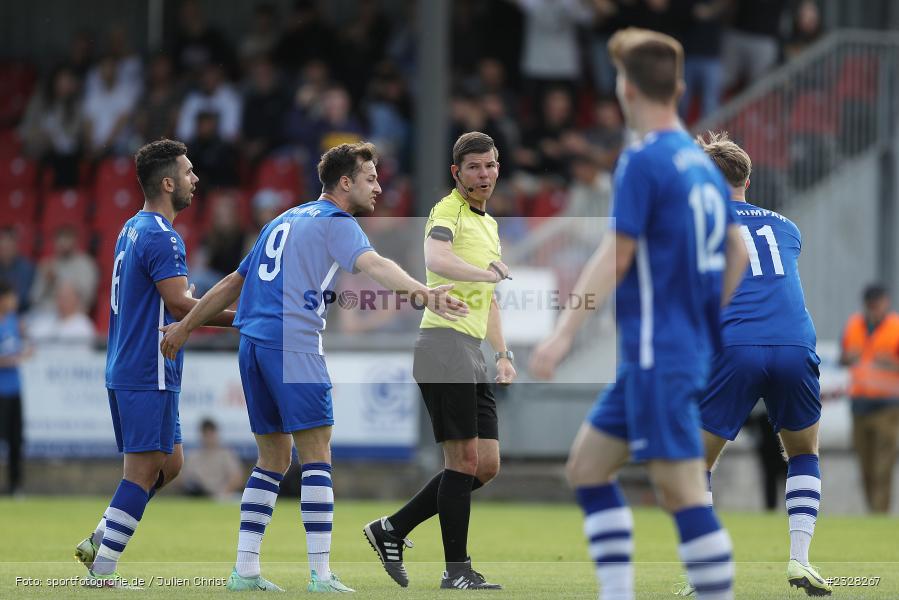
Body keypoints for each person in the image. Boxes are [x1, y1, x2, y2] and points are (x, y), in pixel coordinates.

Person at [158, 141, 467, 593]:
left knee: (272, 459)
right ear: (345, 183)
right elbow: (375, 265)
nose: (378, 187)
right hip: (294, 344)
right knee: (317, 455)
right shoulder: (338, 222)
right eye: (370, 178)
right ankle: (322, 574)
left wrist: (186, 326)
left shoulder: (283, 218)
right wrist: (426, 294)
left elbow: (232, 283)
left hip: (252, 345)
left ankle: (245, 570)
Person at [529, 28, 748, 600]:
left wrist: (562, 333)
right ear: (677, 86)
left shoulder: (643, 160)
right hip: (665, 354)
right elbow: (738, 253)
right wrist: (701, 324)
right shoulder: (701, 167)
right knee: (587, 468)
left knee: (681, 494)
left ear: (626, 87)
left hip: (657, 354)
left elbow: (616, 256)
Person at [72, 139, 236, 587]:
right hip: (148, 369)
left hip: (130, 365)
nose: (194, 178)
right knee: (144, 471)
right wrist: (245, 320)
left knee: (172, 464)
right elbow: (182, 305)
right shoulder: (163, 236)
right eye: (187, 172)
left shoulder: (132, 227)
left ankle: (100, 538)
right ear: (168, 183)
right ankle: (101, 571)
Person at [677, 131, 830, 596]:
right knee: (804, 453)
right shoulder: (787, 226)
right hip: (794, 345)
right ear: (748, 177)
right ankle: (800, 561)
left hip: (736, 345)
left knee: (695, 464)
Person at [363, 131, 515, 591]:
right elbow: (437, 257)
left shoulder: (489, 225)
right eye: (473, 167)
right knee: (462, 460)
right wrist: (484, 273)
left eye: (489, 165)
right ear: (457, 173)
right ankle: (457, 570)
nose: (483, 174)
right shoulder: (446, 211)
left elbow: (488, 300)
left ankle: (392, 528)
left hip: (470, 350)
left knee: (485, 465)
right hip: (442, 345)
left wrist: (503, 354)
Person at [840, 284, 899, 514]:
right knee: (865, 466)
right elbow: (842, 357)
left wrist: (890, 364)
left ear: (886, 302)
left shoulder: (895, 327)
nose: (874, 309)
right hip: (859, 407)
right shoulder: (854, 325)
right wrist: (848, 358)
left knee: (883, 467)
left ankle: (879, 514)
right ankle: (872, 512)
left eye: (878, 304)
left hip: (888, 407)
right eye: (870, 305)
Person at [0, 281, 30, 495]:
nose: (15, 301)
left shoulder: (14, 322)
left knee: (15, 440)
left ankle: (15, 486)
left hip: (14, 390)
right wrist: (15, 359)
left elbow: (25, 345)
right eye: (11, 297)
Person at [179, 418, 244, 499]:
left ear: (216, 434)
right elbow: (183, 479)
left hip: (222, 497)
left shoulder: (226, 455)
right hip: (198, 498)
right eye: (206, 434)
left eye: (211, 434)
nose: (209, 438)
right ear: (201, 435)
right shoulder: (193, 456)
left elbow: (237, 478)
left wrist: (224, 492)